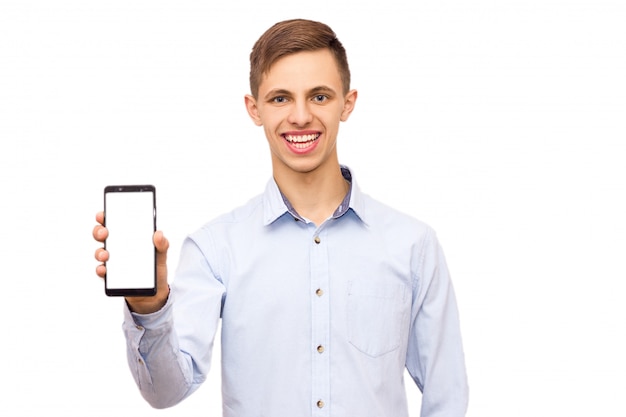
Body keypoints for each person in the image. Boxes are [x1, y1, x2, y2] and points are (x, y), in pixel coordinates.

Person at [93, 18, 469, 417]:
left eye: (320, 96)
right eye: (280, 98)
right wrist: (149, 306)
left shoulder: (412, 244)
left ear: (348, 102)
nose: (301, 116)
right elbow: (166, 392)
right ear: (254, 109)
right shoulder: (215, 248)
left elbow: (446, 393)